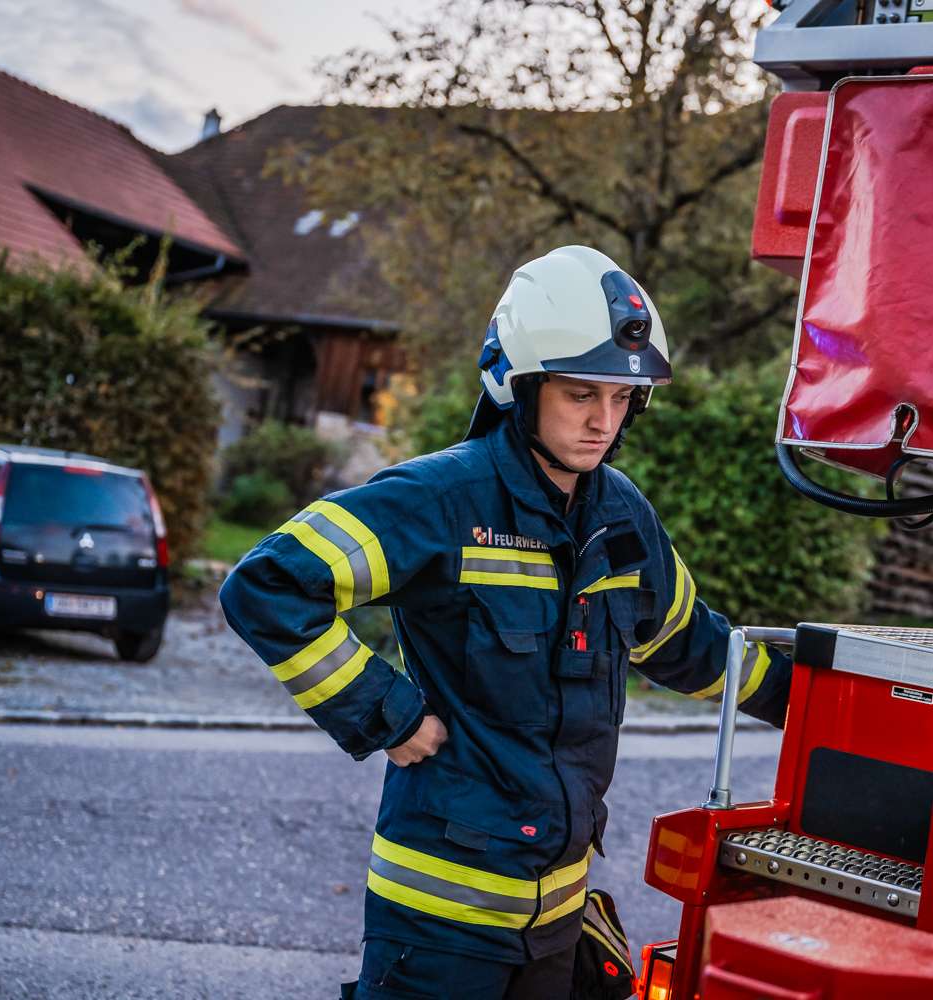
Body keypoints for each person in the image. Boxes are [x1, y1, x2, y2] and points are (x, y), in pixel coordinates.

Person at [219, 246, 793, 1000]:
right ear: (519, 385)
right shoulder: (441, 498)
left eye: (623, 397)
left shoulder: (622, 516)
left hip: (555, 920)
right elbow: (266, 585)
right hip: (439, 923)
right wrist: (388, 714)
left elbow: (690, 644)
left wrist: (811, 706)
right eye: (581, 394)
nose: (604, 421)